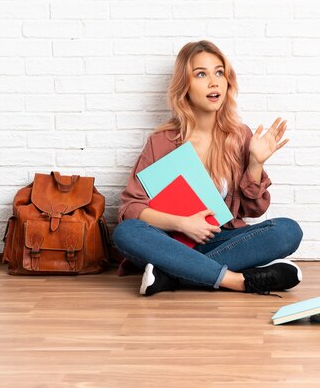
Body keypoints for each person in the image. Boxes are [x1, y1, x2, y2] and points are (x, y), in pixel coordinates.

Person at [112, 40, 303, 297]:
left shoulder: (240, 136)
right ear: (185, 85)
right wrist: (183, 224)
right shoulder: (162, 142)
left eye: (219, 72)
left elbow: (253, 211)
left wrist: (256, 163)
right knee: (126, 232)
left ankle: (169, 276)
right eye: (201, 74)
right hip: (169, 241)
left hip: (221, 240)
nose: (213, 82)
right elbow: (131, 209)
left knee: (288, 231)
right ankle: (237, 280)